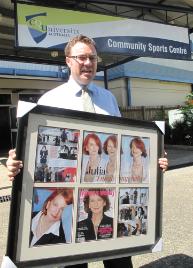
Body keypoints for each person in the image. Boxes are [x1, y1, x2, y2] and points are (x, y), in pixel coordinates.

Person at [6, 35, 168, 268]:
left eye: (92, 58)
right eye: (81, 57)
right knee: (75, 262)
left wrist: (155, 159)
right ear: (68, 61)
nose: (88, 63)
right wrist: (16, 161)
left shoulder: (108, 99)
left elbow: (123, 146)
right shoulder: (50, 100)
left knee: (119, 259)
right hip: (72, 198)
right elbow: (33, 149)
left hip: (107, 194)